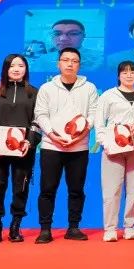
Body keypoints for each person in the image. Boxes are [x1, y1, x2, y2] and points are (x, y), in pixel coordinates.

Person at [33, 47, 99, 243]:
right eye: (66, 60)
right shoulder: (47, 88)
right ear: (58, 64)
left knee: (76, 189)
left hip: (79, 147)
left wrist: (82, 134)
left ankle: (74, 227)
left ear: (79, 65)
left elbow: (93, 114)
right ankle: (45, 229)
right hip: (51, 146)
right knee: (47, 189)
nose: (70, 64)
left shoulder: (89, 88)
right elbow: (40, 114)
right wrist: (53, 135)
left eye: (74, 61)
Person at [0, 54, 40, 243]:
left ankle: (15, 226)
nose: (16, 69)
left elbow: (37, 121)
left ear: (26, 69)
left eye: (21, 65)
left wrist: (29, 142)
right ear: (5, 69)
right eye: (12, 65)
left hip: (24, 148)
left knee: (20, 186)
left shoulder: (34, 92)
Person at [96, 61, 134, 242]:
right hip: (113, 147)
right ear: (118, 76)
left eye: (132, 71)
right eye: (124, 72)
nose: (129, 75)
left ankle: (130, 226)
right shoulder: (108, 95)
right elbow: (99, 122)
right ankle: (110, 228)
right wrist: (104, 142)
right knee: (111, 189)